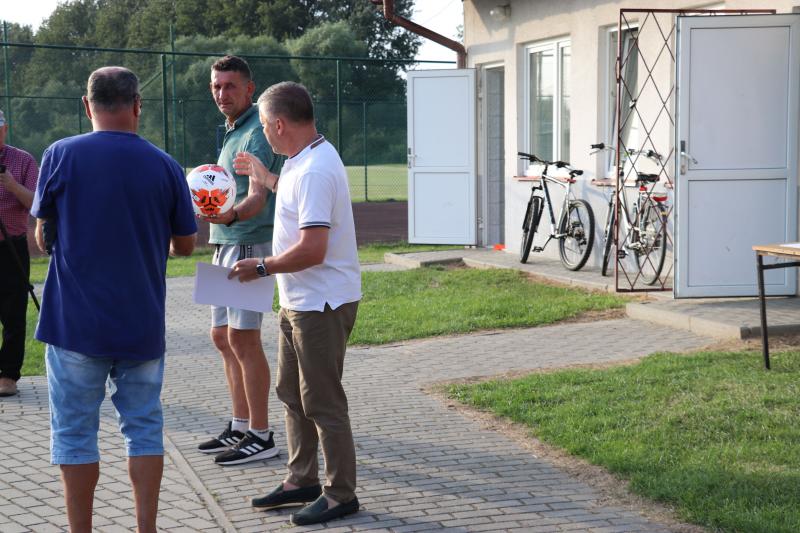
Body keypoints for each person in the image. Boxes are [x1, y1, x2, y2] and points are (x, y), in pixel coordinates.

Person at [30, 66, 197, 533]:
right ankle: (146, 528)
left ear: (87, 105)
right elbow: (185, 245)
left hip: (74, 324)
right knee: (144, 428)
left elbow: (42, 237)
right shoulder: (165, 164)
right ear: (137, 104)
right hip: (141, 322)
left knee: (74, 434)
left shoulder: (60, 154)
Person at [228, 81, 362, 526]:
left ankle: (340, 494)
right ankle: (301, 479)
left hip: (321, 304)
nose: (264, 132)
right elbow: (292, 191)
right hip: (299, 300)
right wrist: (264, 178)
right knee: (291, 393)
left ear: (280, 124)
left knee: (323, 401)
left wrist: (262, 266)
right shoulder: (303, 159)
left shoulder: (315, 170)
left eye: (265, 125)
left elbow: (313, 249)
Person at [195, 55, 284, 466]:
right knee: (221, 336)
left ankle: (261, 435)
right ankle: (240, 423)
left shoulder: (255, 133)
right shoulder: (233, 131)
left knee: (244, 339)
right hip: (223, 241)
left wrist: (229, 216)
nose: (221, 93)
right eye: (216, 86)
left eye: (230, 85)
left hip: (247, 242)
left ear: (250, 89)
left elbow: (257, 198)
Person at [0, 108, 38, 398]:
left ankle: (8, 375)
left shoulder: (23, 160)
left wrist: (12, 185)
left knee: (13, 315)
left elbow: (37, 204)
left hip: (11, 247)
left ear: (5, 129)